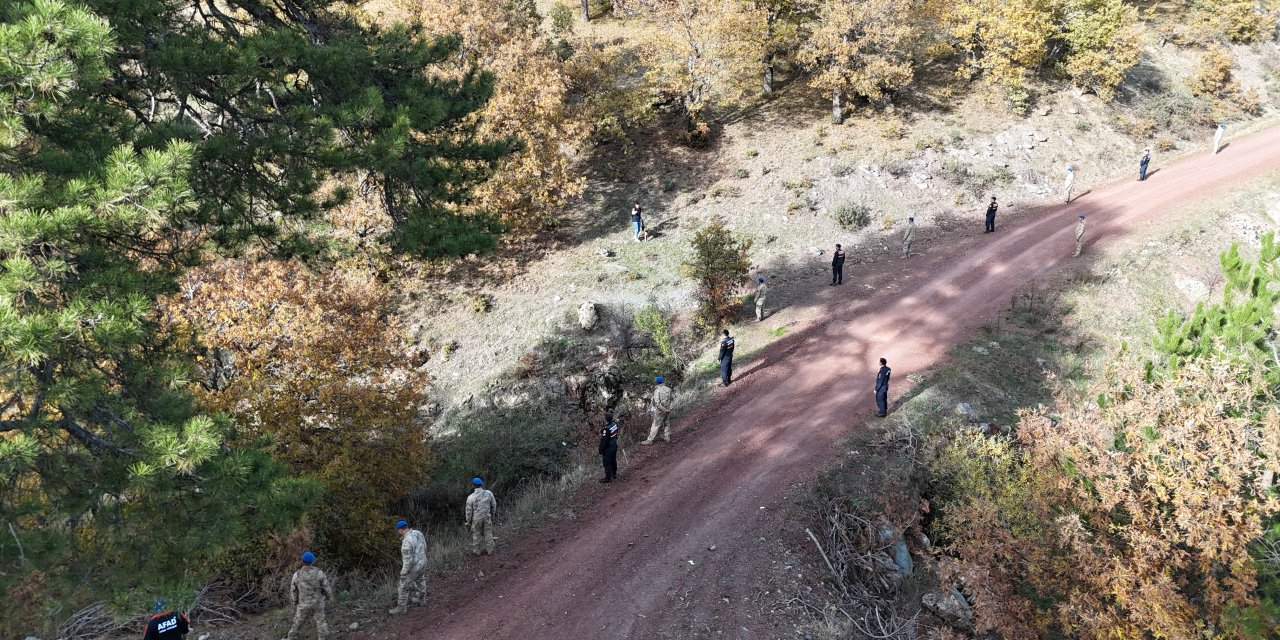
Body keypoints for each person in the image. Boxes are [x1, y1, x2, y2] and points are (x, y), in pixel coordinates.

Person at [286, 551, 333, 640]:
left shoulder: (297, 575)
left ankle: (291, 637)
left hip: (303, 603)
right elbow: (326, 588)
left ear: (302, 561)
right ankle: (322, 637)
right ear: (313, 561)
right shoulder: (319, 573)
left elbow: (293, 590)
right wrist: (328, 597)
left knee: (298, 621)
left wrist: (295, 601)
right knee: (320, 620)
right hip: (317, 602)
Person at [389, 520, 427, 615]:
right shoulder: (418, 533)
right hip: (423, 562)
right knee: (420, 580)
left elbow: (407, 560)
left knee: (403, 586)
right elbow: (425, 546)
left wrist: (404, 571)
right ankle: (421, 600)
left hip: (414, 567)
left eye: (398, 530)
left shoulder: (406, 541)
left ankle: (401, 608)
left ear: (400, 530)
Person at [464, 478, 497, 556]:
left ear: (473, 485)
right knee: (488, 533)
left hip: (476, 519)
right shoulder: (489, 493)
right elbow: (494, 504)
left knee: (476, 534)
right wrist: (492, 513)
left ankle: (477, 551)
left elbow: (469, 511)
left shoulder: (470, 497)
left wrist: (468, 521)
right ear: (481, 484)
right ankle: (490, 550)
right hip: (487, 516)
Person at [642, 376, 675, 444]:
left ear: (656, 382)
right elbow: (672, 399)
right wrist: (669, 408)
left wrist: (664, 410)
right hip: (668, 409)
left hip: (660, 411)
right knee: (667, 423)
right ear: (663, 381)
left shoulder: (657, 390)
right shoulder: (668, 389)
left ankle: (650, 440)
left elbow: (657, 403)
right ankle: (667, 437)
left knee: (655, 425)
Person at [598, 411, 620, 483]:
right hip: (614, 446)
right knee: (613, 460)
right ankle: (614, 474)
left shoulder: (606, 429)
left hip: (608, 449)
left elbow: (604, 441)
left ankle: (608, 478)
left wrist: (601, 450)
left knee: (607, 463)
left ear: (606, 419)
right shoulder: (615, 424)